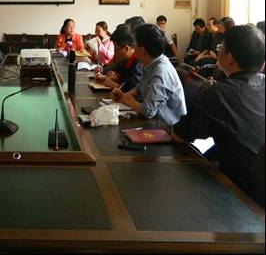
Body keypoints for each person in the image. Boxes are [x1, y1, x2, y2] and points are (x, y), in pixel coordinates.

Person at [172, 25, 265, 200]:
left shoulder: (219, 93)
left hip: (241, 194)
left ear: (229, 58)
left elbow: (179, 134)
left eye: (221, 47)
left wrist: (207, 94)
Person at [112, 24, 186, 126]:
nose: (133, 48)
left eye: (135, 44)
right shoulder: (151, 63)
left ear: (143, 50)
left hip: (166, 128)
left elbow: (148, 111)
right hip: (153, 121)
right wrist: (123, 95)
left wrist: (127, 99)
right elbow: (138, 89)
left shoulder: (161, 72)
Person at [95, 26, 142, 92]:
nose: (115, 53)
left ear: (126, 49)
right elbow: (113, 68)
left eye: (116, 49)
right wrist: (102, 73)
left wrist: (115, 85)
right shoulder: (125, 60)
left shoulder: (138, 64)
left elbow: (133, 90)